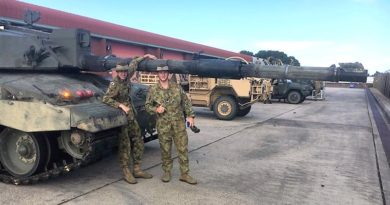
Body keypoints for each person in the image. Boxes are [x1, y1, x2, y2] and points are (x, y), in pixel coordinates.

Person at [102, 54, 156, 184]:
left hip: (131, 115)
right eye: (120, 72)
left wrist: (146, 56)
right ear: (117, 72)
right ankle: (126, 171)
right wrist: (120, 105)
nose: (123, 74)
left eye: (124, 71)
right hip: (122, 116)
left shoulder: (127, 76)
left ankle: (137, 169)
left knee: (138, 140)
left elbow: (134, 63)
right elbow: (106, 98)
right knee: (125, 144)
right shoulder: (115, 83)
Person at [145, 65, 197, 185]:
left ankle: (184, 174)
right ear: (157, 74)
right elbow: (147, 106)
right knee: (165, 149)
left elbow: (186, 102)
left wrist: (190, 116)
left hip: (178, 124)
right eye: (160, 72)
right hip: (163, 125)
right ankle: (167, 172)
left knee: (182, 148)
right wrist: (156, 109)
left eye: (165, 72)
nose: (162, 75)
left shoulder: (177, 87)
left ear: (168, 74)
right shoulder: (153, 89)